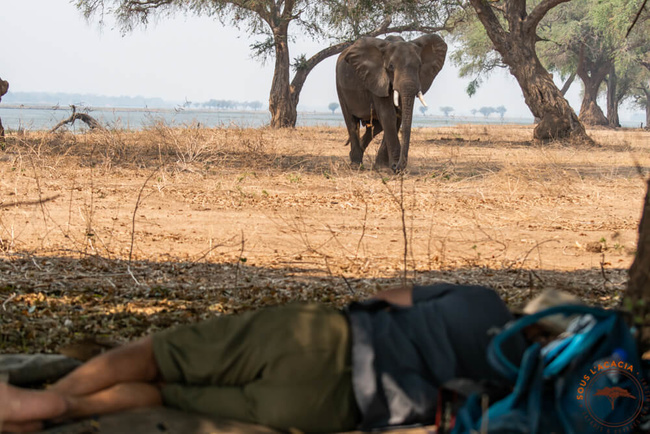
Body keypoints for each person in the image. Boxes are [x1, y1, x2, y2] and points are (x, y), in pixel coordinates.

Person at [0, 283, 524, 433]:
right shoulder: (515, 387)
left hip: (317, 338)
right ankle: (63, 414)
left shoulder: (482, 300)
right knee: (163, 393)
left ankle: (42, 401)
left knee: (155, 355)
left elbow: (387, 297)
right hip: (330, 408)